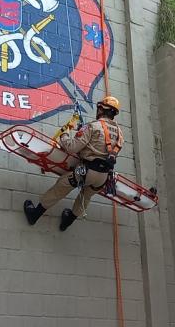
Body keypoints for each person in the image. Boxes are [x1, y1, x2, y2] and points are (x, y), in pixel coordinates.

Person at [23, 96, 124, 231]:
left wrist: (64, 134)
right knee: (86, 196)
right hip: (103, 177)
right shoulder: (119, 133)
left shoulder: (93, 126)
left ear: (102, 109)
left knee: (60, 188)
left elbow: (71, 148)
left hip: (87, 171)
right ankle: (67, 222)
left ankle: (34, 215)